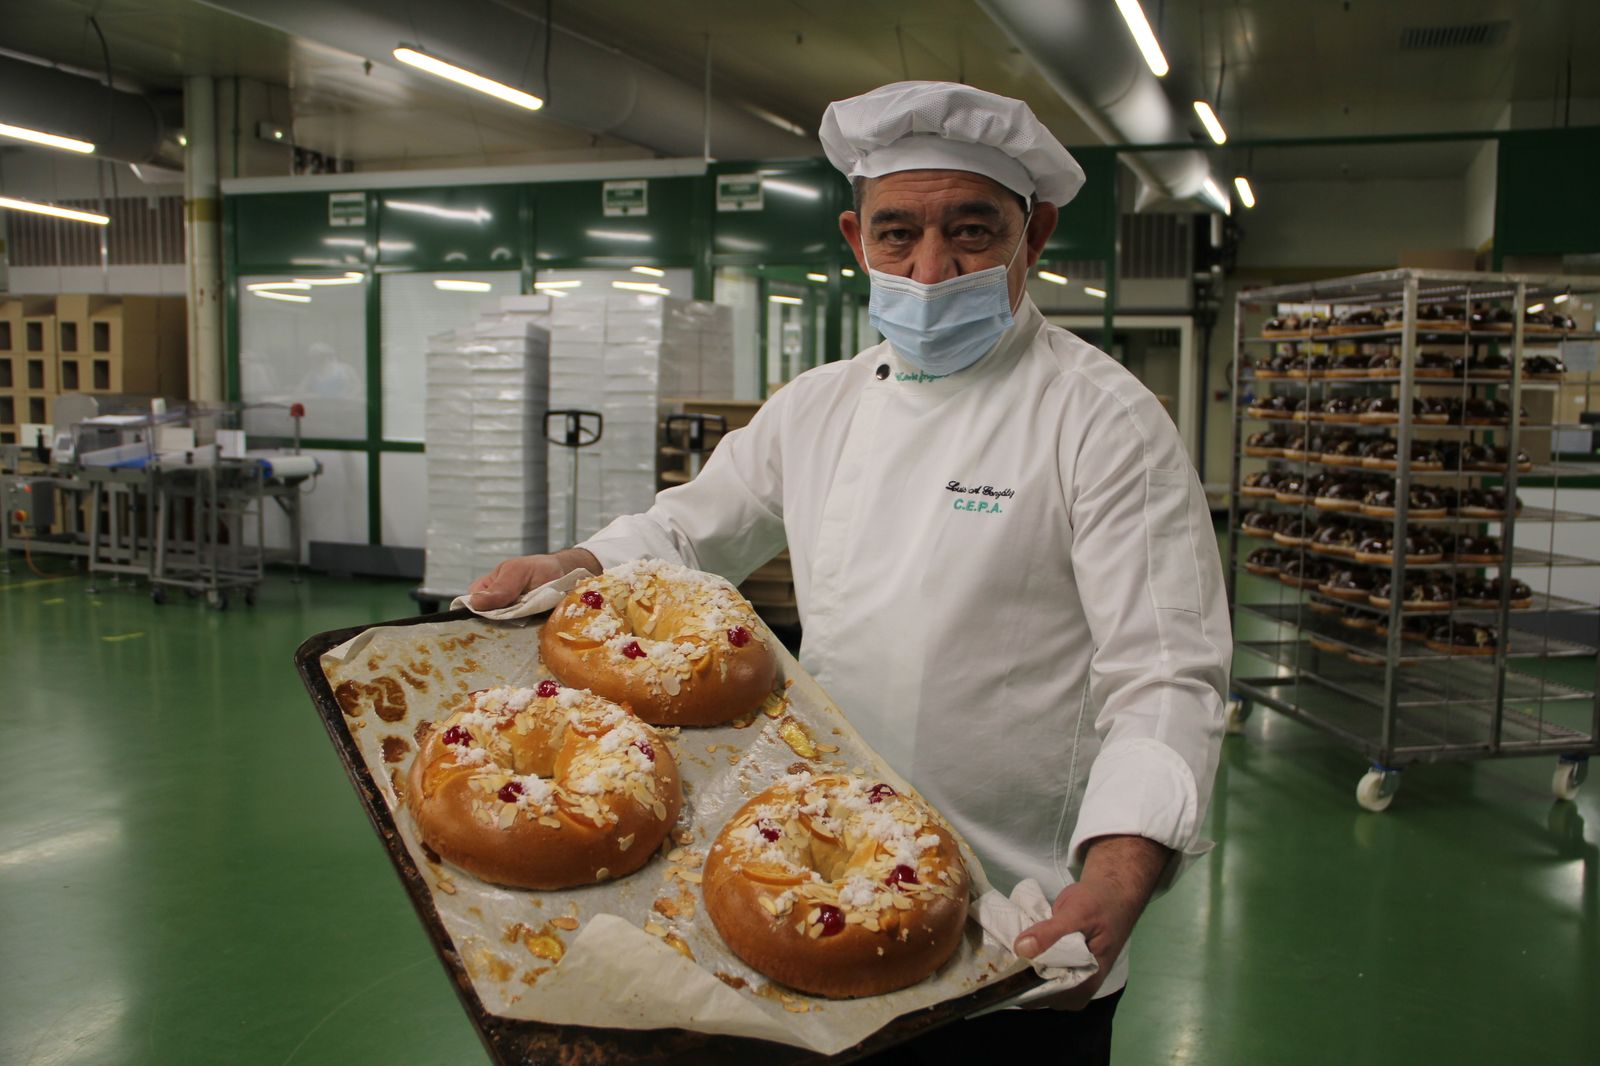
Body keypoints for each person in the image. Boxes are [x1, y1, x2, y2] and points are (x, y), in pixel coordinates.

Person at [470, 81, 1230, 1062]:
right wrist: (574, 563)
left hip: (1020, 928)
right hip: (818, 894)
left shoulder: (1102, 422)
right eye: (896, 234)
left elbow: (1166, 673)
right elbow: (689, 532)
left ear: (1032, 237)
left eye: (971, 231)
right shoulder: (818, 407)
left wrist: (1122, 867)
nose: (928, 267)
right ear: (851, 236)